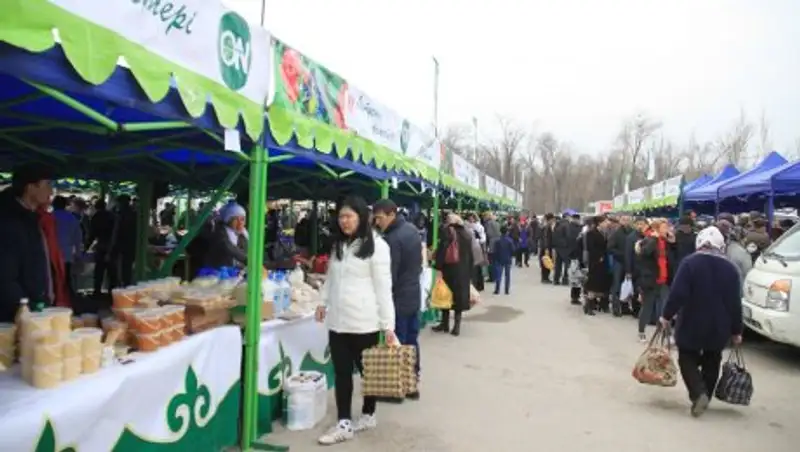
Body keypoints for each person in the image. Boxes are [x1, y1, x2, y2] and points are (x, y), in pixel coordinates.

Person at [314, 196, 396, 445]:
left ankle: (369, 413)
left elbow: (384, 288)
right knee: (341, 373)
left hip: (364, 322)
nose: (345, 221)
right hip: (338, 321)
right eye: (341, 216)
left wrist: (388, 325)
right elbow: (331, 277)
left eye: (349, 216)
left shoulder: (378, 246)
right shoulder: (339, 245)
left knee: (367, 372)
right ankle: (344, 422)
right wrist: (322, 301)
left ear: (362, 217)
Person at [659, 226, 743, 417]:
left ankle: (698, 393)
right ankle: (705, 394)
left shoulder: (690, 263)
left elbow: (677, 294)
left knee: (687, 357)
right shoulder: (731, 269)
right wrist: (737, 331)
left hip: (691, 321)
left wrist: (666, 316)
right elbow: (735, 303)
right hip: (719, 325)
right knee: (712, 359)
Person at [372, 199, 422, 401]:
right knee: (411, 340)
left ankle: (397, 389)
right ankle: (412, 384)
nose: (377, 222)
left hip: (398, 297)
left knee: (396, 341)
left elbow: (388, 275)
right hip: (413, 294)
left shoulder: (392, 239)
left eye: (380, 218)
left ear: (391, 214)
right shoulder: (412, 230)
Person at [0, 164, 55, 321]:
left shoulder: (30, 217)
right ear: (30, 188)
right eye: (47, 185)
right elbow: (5, 276)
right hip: (15, 316)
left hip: (33, 308)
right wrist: (25, 309)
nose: (51, 192)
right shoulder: (8, 221)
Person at [433, 213, 475, 336]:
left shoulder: (448, 232)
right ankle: (456, 327)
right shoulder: (467, 234)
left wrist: (438, 266)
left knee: (445, 295)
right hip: (463, 271)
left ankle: (444, 324)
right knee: (459, 298)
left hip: (449, 269)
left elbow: (442, 249)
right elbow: (471, 254)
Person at [636, 219, 673, 342]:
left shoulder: (665, 242)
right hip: (651, 279)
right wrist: (655, 239)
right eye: (664, 228)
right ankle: (641, 331)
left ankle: (666, 333)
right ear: (657, 229)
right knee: (648, 306)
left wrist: (673, 241)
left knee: (664, 307)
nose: (666, 230)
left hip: (663, 278)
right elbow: (645, 252)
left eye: (667, 227)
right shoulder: (650, 240)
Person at [52, 196, 83, 297]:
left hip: (51, 253)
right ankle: (66, 298)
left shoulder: (49, 217)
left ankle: (55, 297)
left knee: (53, 277)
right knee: (65, 277)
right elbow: (78, 237)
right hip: (66, 253)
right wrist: (78, 253)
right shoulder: (71, 218)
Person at [204, 203, 248, 269]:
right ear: (228, 220)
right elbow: (230, 248)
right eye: (236, 219)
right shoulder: (219, 232)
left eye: (242, 219)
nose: (240, 222)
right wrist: (250, 261)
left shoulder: (243, 233)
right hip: (216, 272)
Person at [108, 195, 137, 288]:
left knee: (118, 269)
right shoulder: (135, 214)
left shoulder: (119, 214)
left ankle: (118, 288)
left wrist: (111, 247)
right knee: (127, 269)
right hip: (131, 246)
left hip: (120, 246)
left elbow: (115, 232)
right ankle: (126, 287)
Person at [582, 216, 608, 315]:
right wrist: (598, 256)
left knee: (598, 284)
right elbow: (590, 247)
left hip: (601, 263)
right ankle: (588, 305)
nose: (606, 224)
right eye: (604, 222)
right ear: (599, 223)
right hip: (595, 262)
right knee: (592, 284)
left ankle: (592, 304)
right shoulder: (591, 233)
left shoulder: (603, 233)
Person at [607, 215, 632, 316]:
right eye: (624, 220)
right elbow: (610, 248)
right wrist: (621, 254)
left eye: (627, 220)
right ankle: (616, 308)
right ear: (620, 221)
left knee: (628, 285)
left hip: (630, 262)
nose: (626, 222)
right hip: (619, 262)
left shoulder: (632, 232)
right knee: (617, 285)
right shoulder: (616, 233)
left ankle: (625, 307)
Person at [492, 226, 516, 295]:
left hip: (499, 259)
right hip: (508, 260)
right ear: (507, 232)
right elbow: (513, 250)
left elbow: (495, 251)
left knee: (498, 275)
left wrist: (495, 259)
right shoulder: (510, 240)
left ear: (500, 232)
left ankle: (497, 289)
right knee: (507, 275)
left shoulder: (497, 241)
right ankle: (506, 290)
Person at [551, 214, 571, 285]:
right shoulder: (567, 225)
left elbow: (553, 235)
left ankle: (556, 279)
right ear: (567, 217)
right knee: (566, 264)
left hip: (558, 247)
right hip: (565, 247)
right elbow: (568, 236)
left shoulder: (557, 225)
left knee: (558, 264)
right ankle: (565, 279)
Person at [483, 212, 501, 282]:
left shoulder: (488, 224)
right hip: (497, 244)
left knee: (491, 261)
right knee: (496, 261)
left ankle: (492, 277)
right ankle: (497, 276)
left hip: (491, 244)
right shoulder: (497, 223)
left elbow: (488, 234)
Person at [539, 213, 556, 283]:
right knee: (546, 263)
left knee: (546, 262)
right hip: (546, 248)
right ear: (550, 219)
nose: (553, 221)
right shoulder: (547, 227)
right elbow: (545, 238)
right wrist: (546, 248)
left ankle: (545, 278)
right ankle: (545, 278)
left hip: (545, 247)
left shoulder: (546, 226)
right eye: (553, 219)